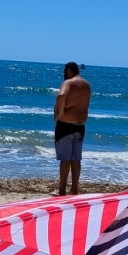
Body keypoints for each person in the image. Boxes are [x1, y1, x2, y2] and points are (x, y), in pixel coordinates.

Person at [53, 61, 90, 195]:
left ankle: (62, 190)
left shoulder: (68, 83)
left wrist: (59, 114)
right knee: (76, 159)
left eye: (64, 71)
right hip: (80, 126)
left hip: (66, 126)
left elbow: (61, 95)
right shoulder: (86, 85)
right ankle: (74, 189)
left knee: (65, 159)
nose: (64, 74)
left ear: (69, 70)